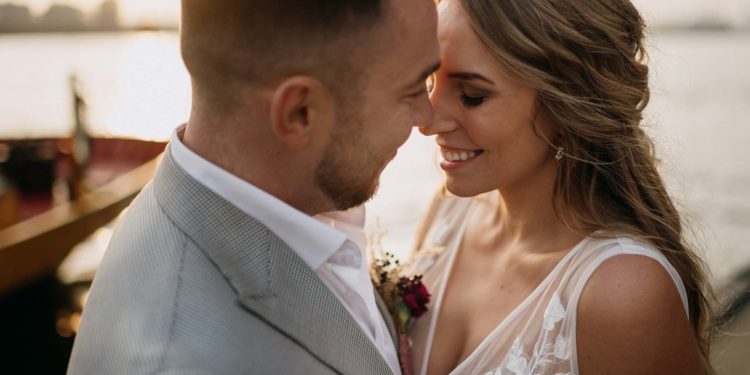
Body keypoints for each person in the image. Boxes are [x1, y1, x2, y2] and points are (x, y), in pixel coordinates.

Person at [67, 0, 439, 374]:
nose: (428, 117)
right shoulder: (185, 361)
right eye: (411, 90)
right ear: (299, 112)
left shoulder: (282, 201)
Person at [408, 0, 712, 374]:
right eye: (430, 81)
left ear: (567, 103)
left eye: (472, 95)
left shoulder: (621, 293)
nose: (426, 119)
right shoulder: (448, 212)